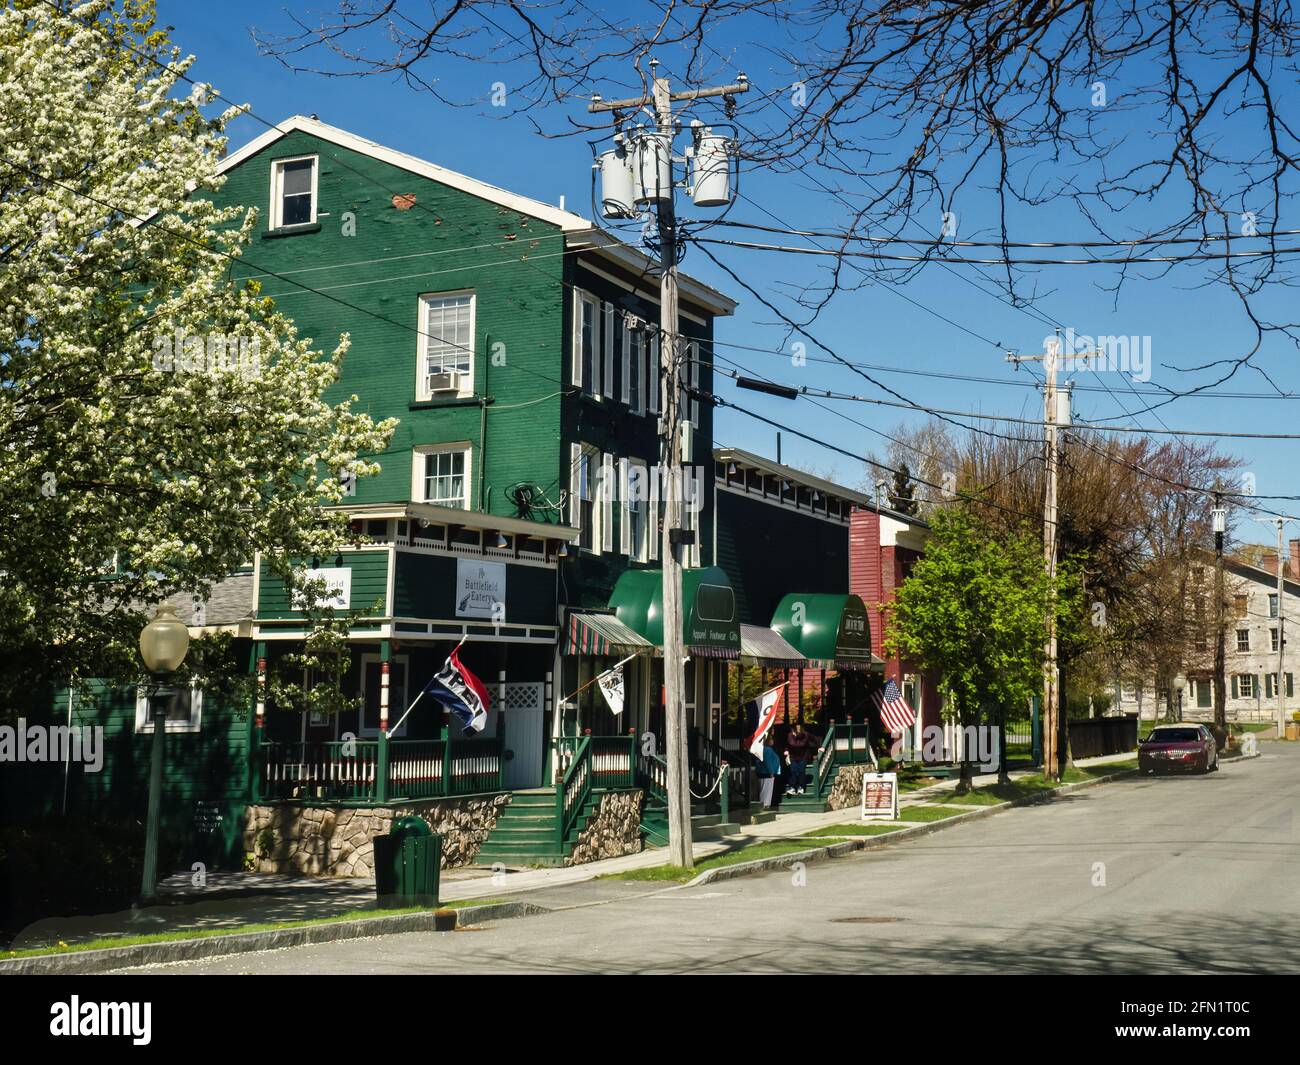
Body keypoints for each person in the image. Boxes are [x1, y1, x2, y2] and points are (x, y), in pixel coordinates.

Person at [784, 722, 819, 795]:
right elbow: (787, 744)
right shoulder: (790, 735)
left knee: (801, 771)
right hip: (793, 756)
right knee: (793, 771)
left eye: (799, 728)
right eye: (796, 728)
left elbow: (815, 739)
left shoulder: (806, 735)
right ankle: (792, 788)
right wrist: (786, 750)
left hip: (803, 756)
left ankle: (801, 787)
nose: (797, 729)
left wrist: (820, 746)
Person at [756, 733, 781, 808]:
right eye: (771, 739)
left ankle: (765, 804)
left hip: (765, 773)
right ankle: (765, 804)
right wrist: (771, 772)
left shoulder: (766, 749)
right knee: (766, 789)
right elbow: (768, 762)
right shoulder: (767, 749)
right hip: (767, 773)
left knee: (765, 789)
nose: (773, 741)